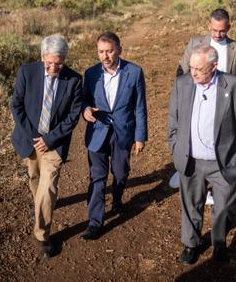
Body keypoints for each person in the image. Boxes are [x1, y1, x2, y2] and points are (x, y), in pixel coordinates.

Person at [168, 45, 236, 264]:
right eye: (191, 67)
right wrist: (175, 147)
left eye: (199, 68)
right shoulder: (183, 83)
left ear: (214, 66)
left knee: (225, 207)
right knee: (190, 205)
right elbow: (173, 122)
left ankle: (219, 241)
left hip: (224, 162)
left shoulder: (235, 86)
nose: (193, 73)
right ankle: (191, 244)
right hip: (191, 160)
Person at [10, 34, 83, 258]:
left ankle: (42, 234)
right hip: (30, 139)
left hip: (54, 142)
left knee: (48, 187)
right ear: (42, 57)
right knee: (34, 178)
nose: (53, 67)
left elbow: (73, 116)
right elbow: (16, 105)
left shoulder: (74, 80)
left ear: (65, 59)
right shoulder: (27, 72)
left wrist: (50, 139)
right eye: (49, 62)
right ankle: (40, 203)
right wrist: (34, 136)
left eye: (58, 63)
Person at [80, 31, 148, 240]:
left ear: (119, 49)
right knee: (97, 177)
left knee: (120, 173)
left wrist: (140, 137)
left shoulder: (134, 72)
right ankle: (95, 222)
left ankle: (117, 199)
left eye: (109, 51)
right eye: (101, 52)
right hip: (98, 131)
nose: (105, 56)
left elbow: (140, 107)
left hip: (123, 132)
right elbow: (84, 100)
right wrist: (85, 110)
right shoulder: (91, 74)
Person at [177, 8, 236, 83]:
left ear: (228, 27)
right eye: (215, 30)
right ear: (209, 26)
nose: (218, 35)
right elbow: (183, 71)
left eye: (222, 31)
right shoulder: (194, 43)